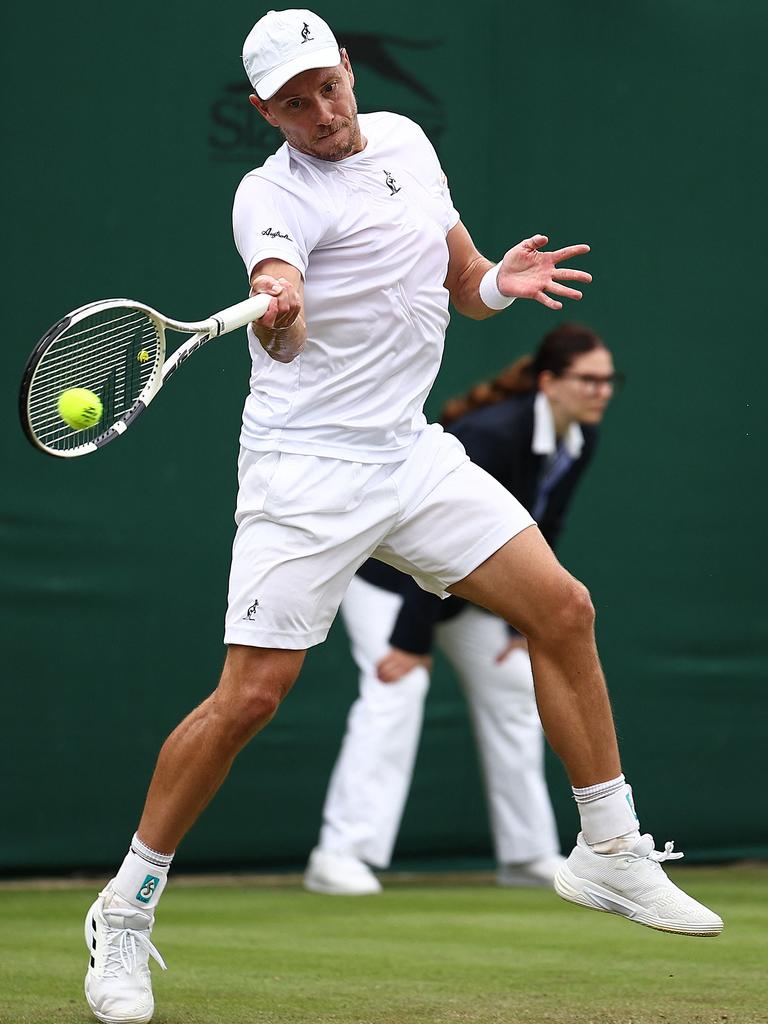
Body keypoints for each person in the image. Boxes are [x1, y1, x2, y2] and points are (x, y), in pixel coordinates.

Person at [83, 10, 722, 1024]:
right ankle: (127, 908)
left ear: (346, 65)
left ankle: (609, 850)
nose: (323, 110)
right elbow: (278, 284)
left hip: (409, 452)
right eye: (294, 102)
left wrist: (497, 286)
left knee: (562, 608)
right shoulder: (270, 195)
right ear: (264, 110)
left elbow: (463, 284)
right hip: (306, 473)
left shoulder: (409, 143)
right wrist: (280, 306)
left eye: (329, 84)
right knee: (250, 698)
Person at [304, 324, 615, 895]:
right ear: (550, 382)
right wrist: (408, 643)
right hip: (393, 584)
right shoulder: (493, 433)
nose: (601, 391)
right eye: (588, 380)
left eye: (607, 381)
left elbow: (544, 531)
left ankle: (526, 854)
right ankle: (340, 854)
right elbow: (435, 537)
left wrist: (529, 618)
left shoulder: (581, 437)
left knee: (514, 685)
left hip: (471, 587)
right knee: (397, 690)